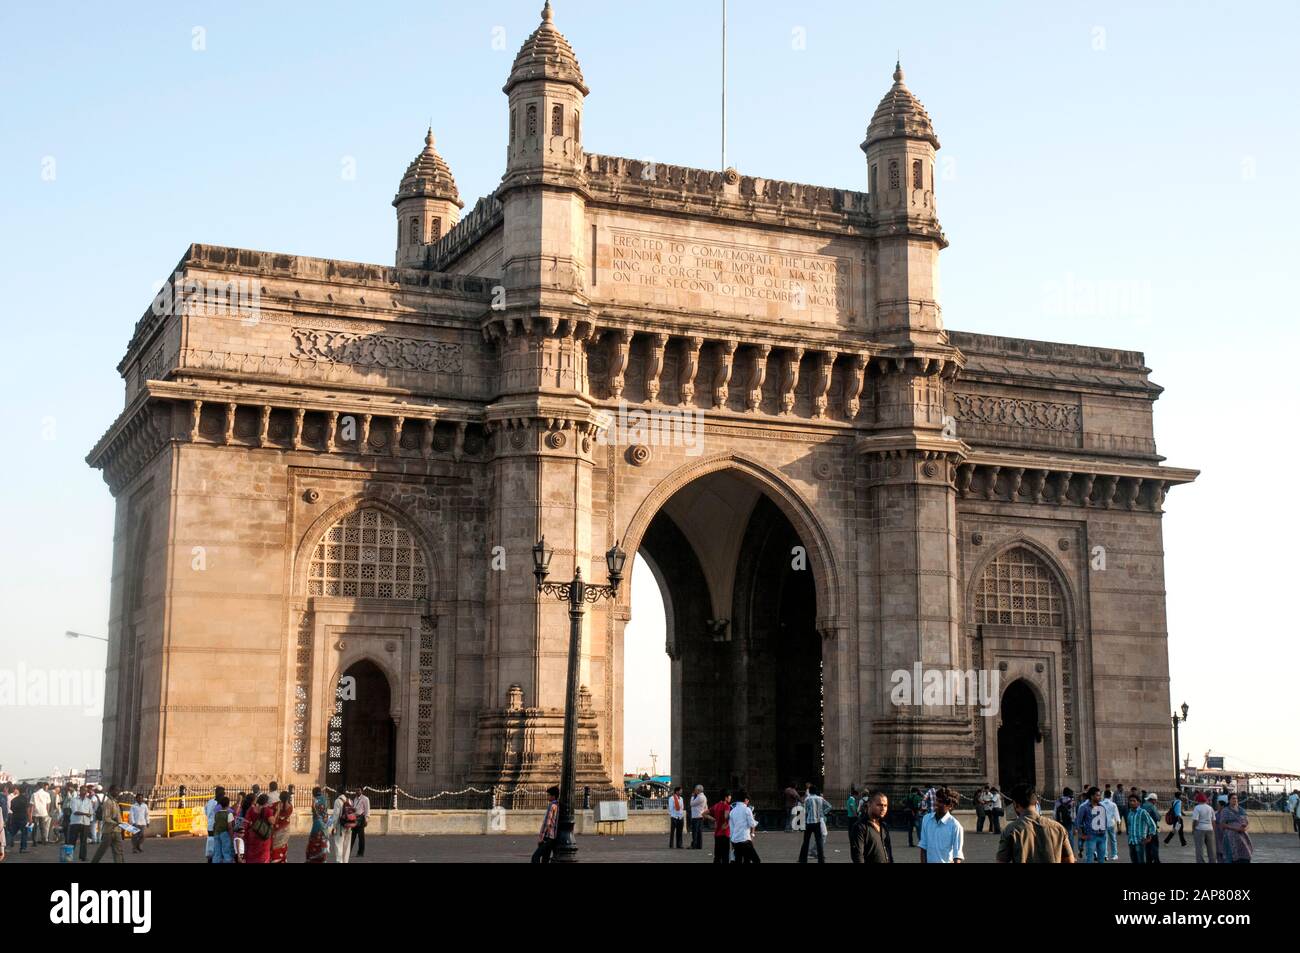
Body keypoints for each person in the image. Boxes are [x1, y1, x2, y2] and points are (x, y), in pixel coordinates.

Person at [996, 784, 1075, 863]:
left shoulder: (1011, 830)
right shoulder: (1058, 828)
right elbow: (1070, 860)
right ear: (1037, 803)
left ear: (1015, 804)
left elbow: (1001, 861)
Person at [918, 787, 964, 863]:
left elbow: (957, 856)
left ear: (950, 806)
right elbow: (923, 847)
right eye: (937, 800)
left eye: (940, 802)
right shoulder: (926, 819)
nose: (936, 803)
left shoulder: (955, 826)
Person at [854, 792, 893, 863]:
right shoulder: (860, 827)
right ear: (869, 804)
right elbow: (858, 856)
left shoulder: (884, 826)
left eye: (885, 805)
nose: (883, 808)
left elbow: (889, 852)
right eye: (879, 805)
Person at [91, 786, 126, 864]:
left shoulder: (115, 802)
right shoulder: (108, 802)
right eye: (116, 791)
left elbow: (118, 817)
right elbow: (106, 818)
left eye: (118, 791)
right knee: (101, 851)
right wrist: (116, 823)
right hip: (109, 831)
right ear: (111, 791)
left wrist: (121, 824)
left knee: (119, 851)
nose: (117, 793)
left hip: (117, 830)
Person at [797, 785, 831, 863]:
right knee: (819, 842)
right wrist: (823, 812)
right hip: (817, 822)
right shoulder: (820, 798)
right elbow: (829, 806)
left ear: (810, 791)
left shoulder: (807, 799)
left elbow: (804, 810)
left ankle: (803, 859)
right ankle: (821, 859)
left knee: (806, 841)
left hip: (809, 822)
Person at [1074, 786, 1107, 864]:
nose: (1099, 797)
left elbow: (1104, 820)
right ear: (1092, 796)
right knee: (1090, 859)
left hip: (1102, 836)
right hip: (1091, 836)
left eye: (1100, 795)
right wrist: (1082, 835)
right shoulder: (1084, 807)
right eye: (1097, 795)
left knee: (1101, 859)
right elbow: (1078, 822)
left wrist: (1105, 832)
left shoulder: (1102, 807)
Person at [1217, 793, 1252, 863]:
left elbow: (1247, 821)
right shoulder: (1225, 810)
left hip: (1242, 836)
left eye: (1236, 798)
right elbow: (1222, 824)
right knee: (1231, 857)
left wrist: (1245, 828)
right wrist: (1236, 828)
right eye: (1233, 798)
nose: (1235, 800)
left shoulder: (1241, 810)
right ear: (1229, 800)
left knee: (1246, 854)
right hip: (1230, 837)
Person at [1123, 793, 1157, 864]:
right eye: (1130, 801)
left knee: (1140, 861)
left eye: (1134, 801)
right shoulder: (1129, 813)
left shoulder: (1142, 812)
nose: (1132, 802)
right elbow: (1129, 826)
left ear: (1138, 802)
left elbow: (1152, 824)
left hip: (1140, 841)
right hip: (1131, 841)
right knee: (1133, 860)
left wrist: (1149, 836)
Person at [729, 789, 760, 863]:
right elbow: (752, 824)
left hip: (735, 840)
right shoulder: (747, 809)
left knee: (739, 860)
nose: (748, 802)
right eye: (748, 800)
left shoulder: (732, 811)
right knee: (756, 860)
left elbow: (731, 828)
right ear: (745, 799)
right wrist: (754, 819)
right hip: (745, 839)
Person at [532, 786, 560, 863]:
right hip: (553, 837)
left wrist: (541, 837)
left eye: (549, 795)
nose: (547, 797)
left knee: (535, 856)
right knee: (545, 859)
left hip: (547, 836)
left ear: (553, 796)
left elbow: (547, 823)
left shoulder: (552, 806)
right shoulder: (558, 805)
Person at [69, 785, 94, 862]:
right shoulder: (74, 800)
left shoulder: (88, 801)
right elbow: (75, 812)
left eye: (86, 791)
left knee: (84, 841)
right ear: (80, 791)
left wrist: (90, 820)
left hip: (85, 823)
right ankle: (69, 856)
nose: (85, 792)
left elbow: (91, 811)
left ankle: (83, 856)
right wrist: (86, 814)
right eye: (83, 790)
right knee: (72, 840)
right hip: (76, 822)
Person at [328, 789, 355, 864]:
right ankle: (345, 861)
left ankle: (339, 861)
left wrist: (334, 827)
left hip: (340, 826)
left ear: (339, 792)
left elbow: (336, 815)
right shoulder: (349, 800)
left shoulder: (338, 801)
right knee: (346, 846)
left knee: (339, 845)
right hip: (349, 825)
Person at [306, 787, 330, 863]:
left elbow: (314, 811)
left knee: (313, 843)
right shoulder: (325, 799)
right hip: (325, 825)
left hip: (317, 824)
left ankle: (312, 859)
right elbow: (326, 812)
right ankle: (323, 860)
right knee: (323, 843)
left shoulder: (314, 800)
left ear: (314, 793)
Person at [1191, 792, 1216, 863]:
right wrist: (1213, 830)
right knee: (1211, 849)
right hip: (1210, 829)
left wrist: (1193, 829)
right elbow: (1213, 821)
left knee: (1199, 849)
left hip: (1199, 829)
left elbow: (1195, 820)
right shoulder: (1210, 808)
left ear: (1198, 800)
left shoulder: (1197, 808)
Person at [211, 796, 237, 863]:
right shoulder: (229, 814)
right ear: (228, 804)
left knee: (217, 851)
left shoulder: (217, 814)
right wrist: (231, 836)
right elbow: (230, 827)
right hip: (225, 834)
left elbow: (215, 824)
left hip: (217, 833)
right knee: (226, 851)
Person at [270, 791, 293, 863]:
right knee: (283, 846)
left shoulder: (276, 805)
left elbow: (269, 809)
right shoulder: (290, 807)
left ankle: (275, 860)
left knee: (275, 847)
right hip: (285, 830)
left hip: (276, 830)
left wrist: (277, 811)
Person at [204, 785, 226, 863]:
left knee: (210, 848)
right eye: (223, 793)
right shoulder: (218, 804)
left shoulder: (210, 802)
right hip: (215, 828)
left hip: (210, 827)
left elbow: (206, 812)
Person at [710, 790, 732, 863]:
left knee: (717, 856)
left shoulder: (716, 805)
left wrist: (713, 819)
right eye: (729, 796)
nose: (730, 797)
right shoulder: (727, 806)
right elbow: (726, 816)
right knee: (725, 856)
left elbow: (704, 813)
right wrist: (727, 823)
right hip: (725, 834)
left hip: (717, 834)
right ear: (726, 797)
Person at [1141, 793, 1162, 863]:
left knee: (1147, 847)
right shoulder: (1152, 806)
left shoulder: (1143, 805)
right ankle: (1156, 861)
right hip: (1152, 830)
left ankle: (1148, 861)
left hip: (1144, 830)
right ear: (1153, 800)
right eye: (1155, 800)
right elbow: (1158, 818)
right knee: (1154, 846)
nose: (1156, 802)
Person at [1101, 787, 1120, 861]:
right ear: (1110, 796)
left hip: (1103, 824)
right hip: (1111, 824)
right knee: (1113, 840)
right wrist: (1119, 827)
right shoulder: (1113, 804)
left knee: (1104, 840)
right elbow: (1117, 816)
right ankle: (1114, 854)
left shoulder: (1100, 804)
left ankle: (1105, 855)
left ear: (1104, 795)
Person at [352, 787, 371, 858]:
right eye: (356, 790)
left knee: (361, 837)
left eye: (358, 790)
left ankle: (360, 852)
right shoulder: (355, 799)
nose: (357, 792)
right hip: (354, 818)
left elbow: (367, 809)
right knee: (352, 836)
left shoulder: (365, 799)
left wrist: (366, 819)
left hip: (361, 818)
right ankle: (348, 851)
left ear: (362, 791)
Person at [688, 785, 708, 850]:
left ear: (699, 790)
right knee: (699, 832)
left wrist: (692, 796)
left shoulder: (700, 797)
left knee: (695, 832)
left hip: (696, 816)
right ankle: (699, 845)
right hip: (700, 816)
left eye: (696, 790)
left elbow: (691, 804)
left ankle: (694, 845)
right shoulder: (703, 797)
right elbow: (706, 807)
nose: (695, 791)